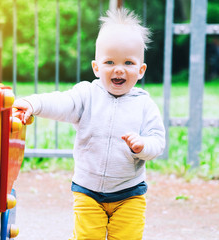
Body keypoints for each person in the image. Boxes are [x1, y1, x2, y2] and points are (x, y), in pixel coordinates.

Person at [14, 8, 165, 240]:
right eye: (109, 61)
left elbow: (157, 141)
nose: (118, 69)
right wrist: (33, 104)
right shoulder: (87, 95)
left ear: (141, 70)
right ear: (96, 67)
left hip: (129, 194)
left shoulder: (144, 105)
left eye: (128, 62)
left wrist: (143, 145)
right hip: (88, 192)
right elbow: (61, 102)